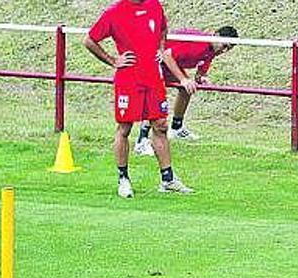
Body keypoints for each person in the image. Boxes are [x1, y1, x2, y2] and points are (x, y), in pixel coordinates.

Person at [83, 0, 195, 198]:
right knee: (125, 128)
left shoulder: (154, 5)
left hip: (153, 77)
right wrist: (113, 61)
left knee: (160, 125)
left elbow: (163, 28)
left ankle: (167, 179)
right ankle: (123, 178)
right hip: (128, 79)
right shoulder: (114, 12)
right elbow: (89, 40)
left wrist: (160, 48)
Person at [135, 26, 238, 155]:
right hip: (152, 57)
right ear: (215, 35)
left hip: (164, 61)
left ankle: (176, 128)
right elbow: (167, 55)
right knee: (157, 94)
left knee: (187, 89)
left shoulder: (213, 50)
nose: (224, 50)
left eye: (228, 48)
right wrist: (183, 79)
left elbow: (203, 65)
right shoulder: (199, 44)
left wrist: (201, 77)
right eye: (224, 45)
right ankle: (141, 141)